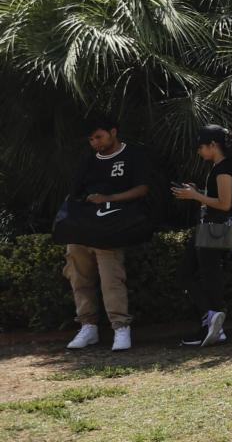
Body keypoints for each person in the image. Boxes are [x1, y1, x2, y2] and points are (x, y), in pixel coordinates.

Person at [64, 120, 153, 352]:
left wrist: (109, 198)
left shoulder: (133, 154)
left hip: (114, 225)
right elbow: (75, 192)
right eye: (91, 139)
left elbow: (142, 188)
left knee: (111, 277)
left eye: (99, 137)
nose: (95, 143)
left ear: (113, 132)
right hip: (85, 225)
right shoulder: (88, 160)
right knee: (78, 276)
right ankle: (88, 326)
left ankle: (120, 327)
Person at [171, 125, 232, 347]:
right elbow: (218, 198)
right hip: (211, 226)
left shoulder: (223, 169)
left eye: (201, 146)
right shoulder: (219, 167)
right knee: (189, 274)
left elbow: (225, 204)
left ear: (213, 145)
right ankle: (211, 319)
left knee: (208, 275)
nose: (199, 151)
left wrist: (195, 196)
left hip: (216, 227)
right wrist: (198, 193)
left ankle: (213, 322)